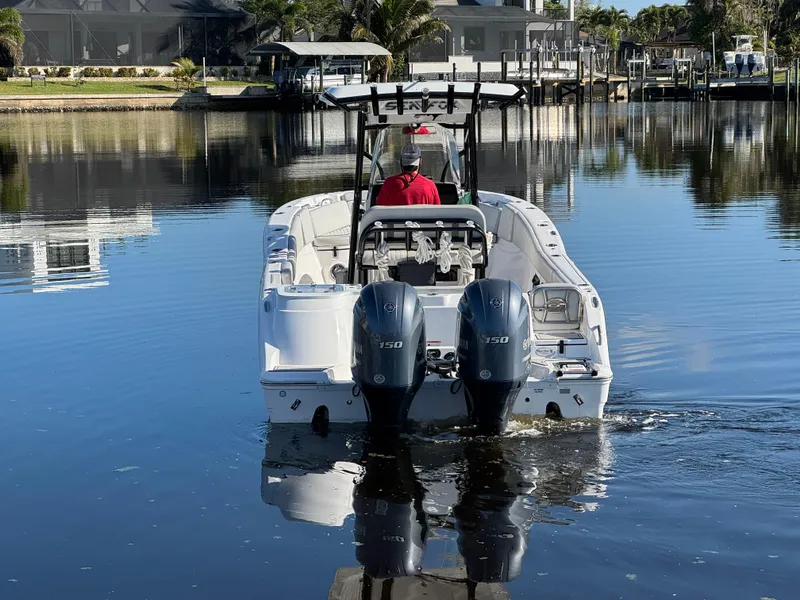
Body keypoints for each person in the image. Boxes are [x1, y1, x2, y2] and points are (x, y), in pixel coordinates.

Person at [375, 143, 441, 206]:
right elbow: (437, 212)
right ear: (420, 161)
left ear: (401, 161)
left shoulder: (389, 183)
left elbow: (378, 209)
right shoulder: (430, 186)